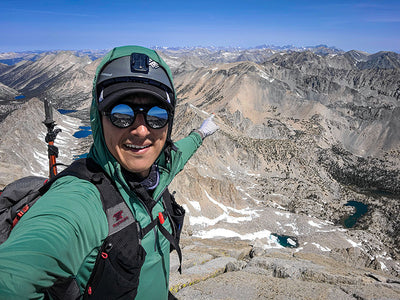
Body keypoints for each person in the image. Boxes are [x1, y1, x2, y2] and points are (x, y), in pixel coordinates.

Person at [0, 45, 219, 299]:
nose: (141, 130)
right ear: (99, 117)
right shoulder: (82, 198)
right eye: (121, 114)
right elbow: (10, 279)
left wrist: (201, 133)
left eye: (157, 116)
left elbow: (178, 154)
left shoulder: (156, 172)